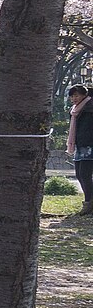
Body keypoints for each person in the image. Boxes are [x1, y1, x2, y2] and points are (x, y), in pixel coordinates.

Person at [68, 83, 92, 215]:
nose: (74, 99)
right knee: (79, 174)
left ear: (84, 95)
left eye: (76, 95)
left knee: (85, 174)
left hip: (89, 144)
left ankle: (88, 202)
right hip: (79, 144)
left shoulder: (90, 108)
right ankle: (89, 201)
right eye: (72, 96)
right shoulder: (75, 110)